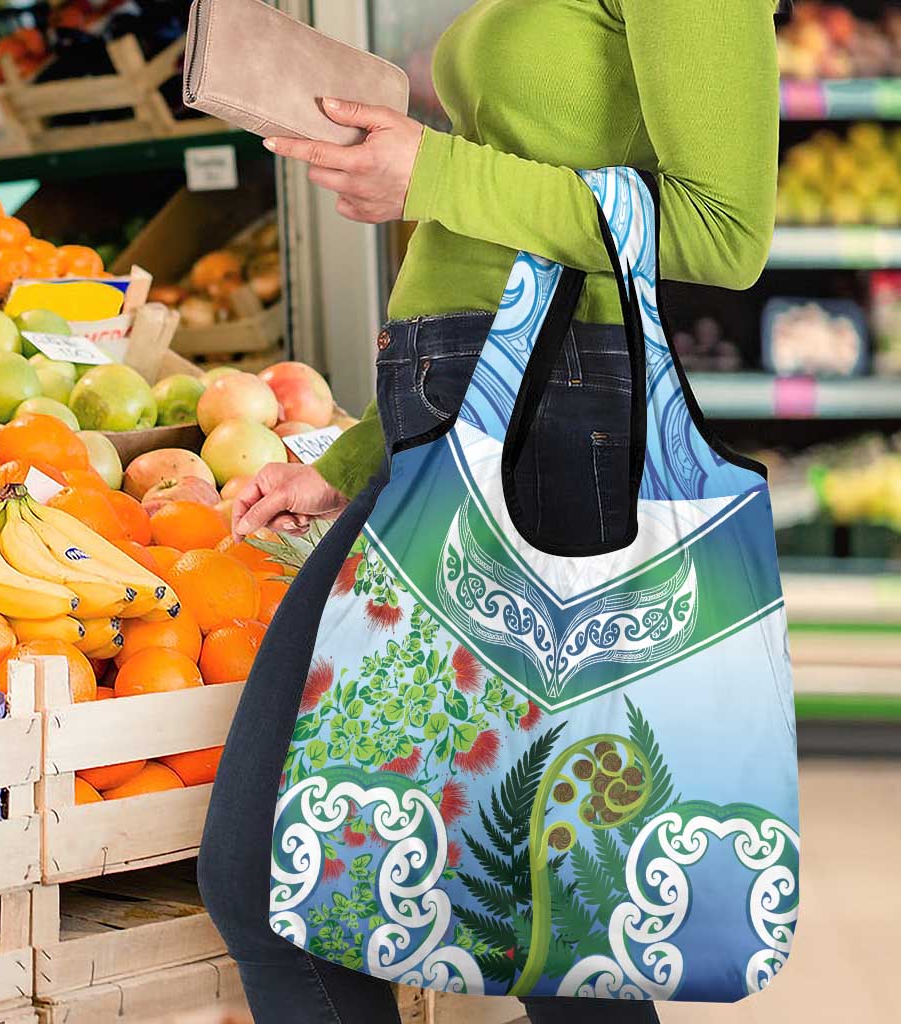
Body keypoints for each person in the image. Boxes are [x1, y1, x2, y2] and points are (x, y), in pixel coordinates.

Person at [198, 2, 782, 1022]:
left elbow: (725, 230)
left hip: (550, 435)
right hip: (461, 425)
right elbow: (495, 240)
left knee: (302, 885)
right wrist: (356, 456)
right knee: (538, 925)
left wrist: (434, 172)